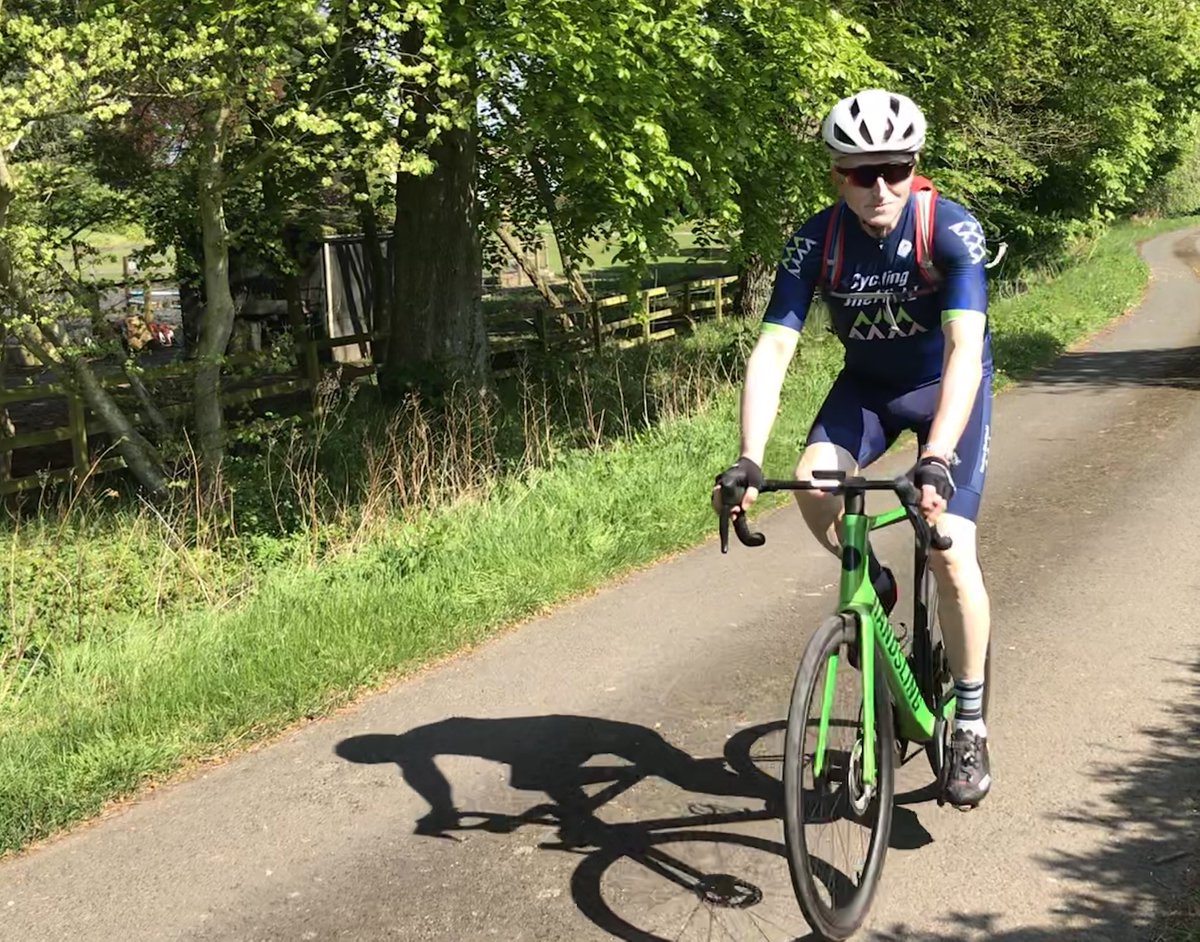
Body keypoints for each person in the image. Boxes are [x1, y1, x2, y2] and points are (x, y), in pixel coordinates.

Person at [715, 89, 993, 807]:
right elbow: (775, 347)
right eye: (861, 172)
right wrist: (749, 456)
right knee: (812, 484)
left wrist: (935, 455)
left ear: (915, 166)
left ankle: (967, 721)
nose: (880, 187)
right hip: (866, 390)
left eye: (895, 168)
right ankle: (873, 581)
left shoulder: (948, 228)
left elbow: (966, 348)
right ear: (836, 173)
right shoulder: (816, 242)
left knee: (951, 552)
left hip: (944, 391)